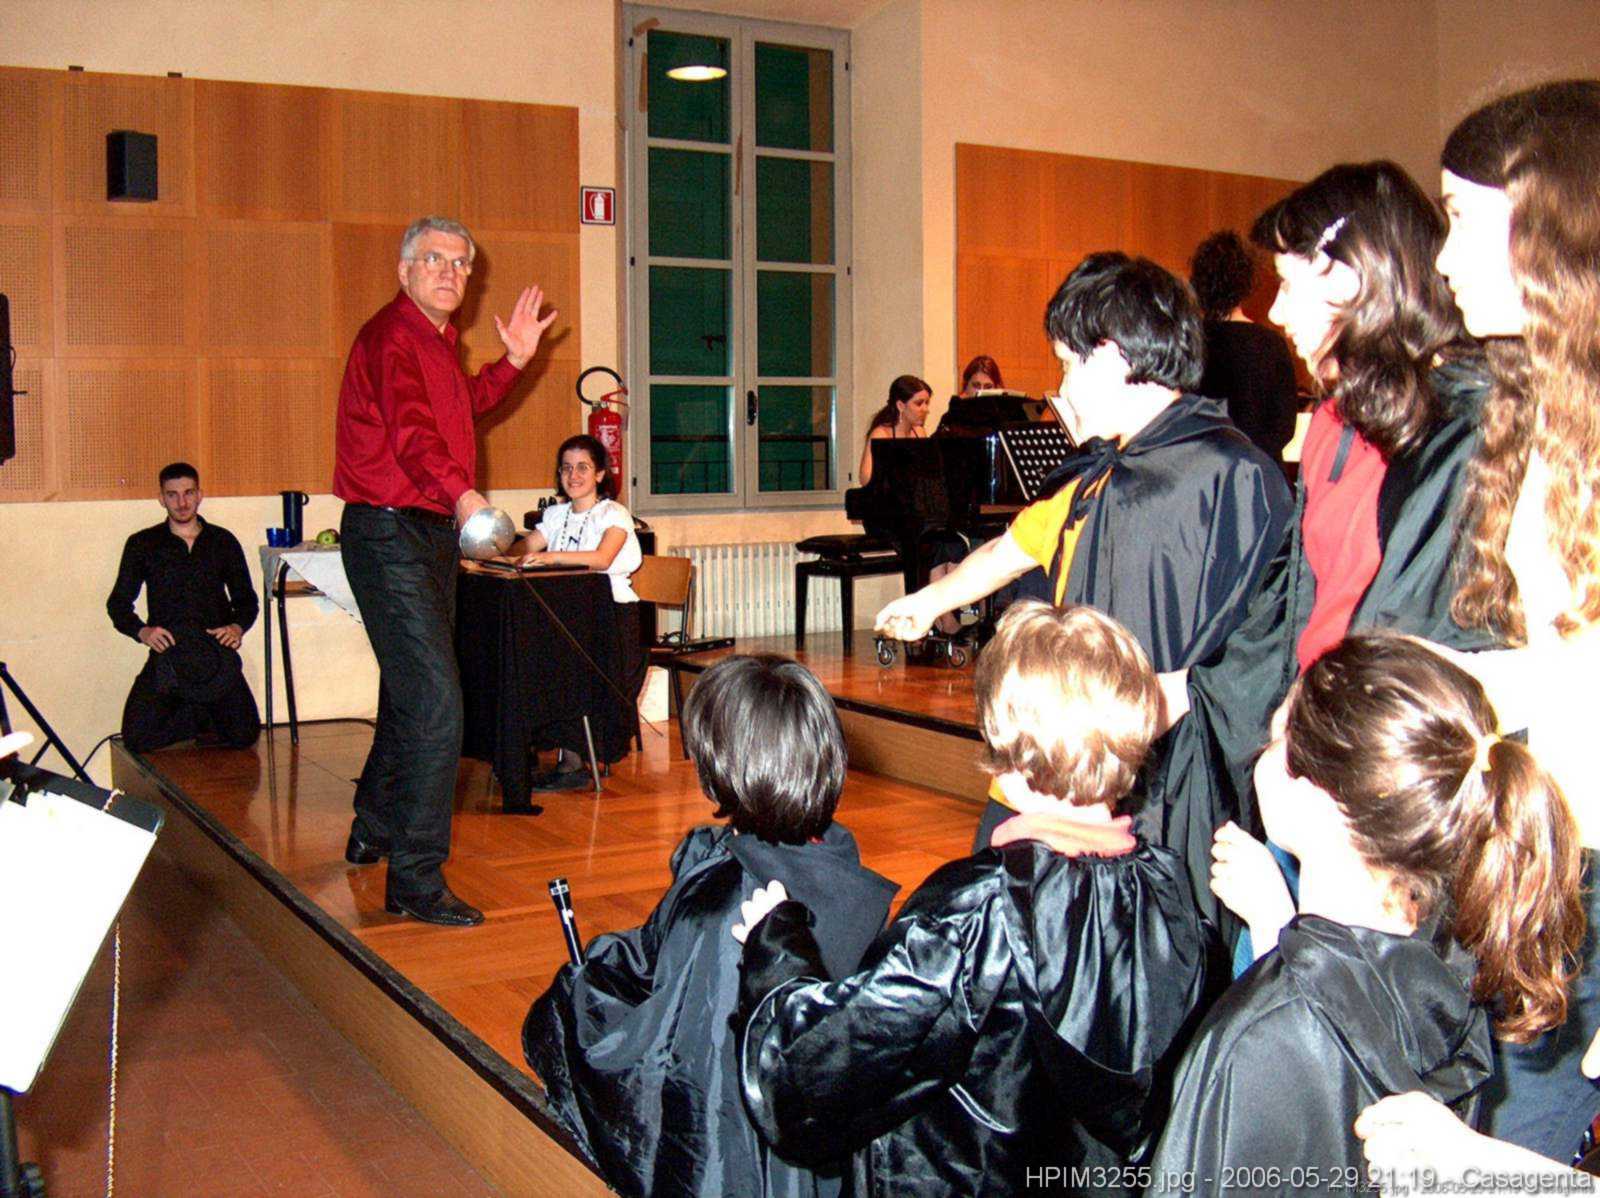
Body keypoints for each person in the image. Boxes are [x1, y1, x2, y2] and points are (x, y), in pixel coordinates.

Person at [731, 603, 1214, 1197]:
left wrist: (776, 946)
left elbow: (812, 1078)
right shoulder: (1170, 891)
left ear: (1004, 750)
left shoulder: (974, 917)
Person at [1153, 163, 1495, 937]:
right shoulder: (1336, 419)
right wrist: (1198, 689)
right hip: (1316, 753)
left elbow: (1419, 629)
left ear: (1350, 278)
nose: (1275, 311)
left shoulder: (1462, 428)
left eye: (1288, 283)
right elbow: (1289, 604)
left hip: (1380, 779)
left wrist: (1316, 734)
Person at [1148, 633, 1584, 1196]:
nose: (1263, 751)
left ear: (1315, 804)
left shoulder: (1252, 1042)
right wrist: (1277, 933)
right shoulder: (1450, 967)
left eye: (1279, 739)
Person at [522, 654, 896, 1198]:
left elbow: (678, 1065)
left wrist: (581, 997)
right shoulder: (839, 862)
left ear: (722, 769)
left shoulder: (729, 902)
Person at [1420, 79, 1600, 1162]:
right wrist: (1447, 675)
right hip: (1563, 853)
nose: (1443, 258)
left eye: (1460, 218)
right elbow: (1577, 661)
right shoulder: (1540, 409)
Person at [875, 252, 1290, 697]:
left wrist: (1168, 699)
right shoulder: (1095, 477)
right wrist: (930, 600)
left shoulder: (1235, 479)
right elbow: (1006, 553)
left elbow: (1266, 641)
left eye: (1067, 364)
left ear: (1111, 355)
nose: (1063, 388)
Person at [333, 214, 557, 927]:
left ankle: (373, 827)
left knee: (411, 696)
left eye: (461, 264)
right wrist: (464, 496)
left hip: (426, 535)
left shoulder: (435, 342)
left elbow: (466, 406)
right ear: (404, 271)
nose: (450, 272)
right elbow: (413, 434)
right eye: (434, 259)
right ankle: (415, 880)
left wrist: (514, 361)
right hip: (390, 532)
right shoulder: (391, 337)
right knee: (437, 704)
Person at [508, 433, 644, 792]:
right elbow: (525, 546)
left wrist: (550, 557)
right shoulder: (556, 515)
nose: (574, 475)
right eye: (566, 468)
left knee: (572, 676)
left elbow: (602, 559)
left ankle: (575, 763)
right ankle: (538, 755)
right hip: (569, 616)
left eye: (583, 467)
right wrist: (500, 550)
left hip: (610, 620)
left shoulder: (614, 514)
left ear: (599, 474)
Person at [107, 462, 261, 753]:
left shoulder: (222, 541)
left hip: (215, 652)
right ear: (161, 498)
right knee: (136, 738)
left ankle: (203, 712)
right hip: (170, 653)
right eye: (172, 495)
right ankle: (197, 716)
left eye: (188, 493)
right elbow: (118, 604)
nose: (181, 502)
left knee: (245, 734)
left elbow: (246, 600)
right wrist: (143, 632)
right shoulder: (143, 544)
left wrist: (236, 627)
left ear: (199, 495)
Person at [1188, 229, 1299, 463]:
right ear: (1246, 282)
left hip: (1204, 473)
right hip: (1260, 472)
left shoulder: (1188, 344)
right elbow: (1284, 428)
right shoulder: (1271, 344)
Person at [856, 373, 931, 486]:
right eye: (919, 403)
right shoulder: (881, 434)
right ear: (900, 405)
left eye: (927, 403)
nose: (925, 409)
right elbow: (865, 478)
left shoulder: (919, 432)